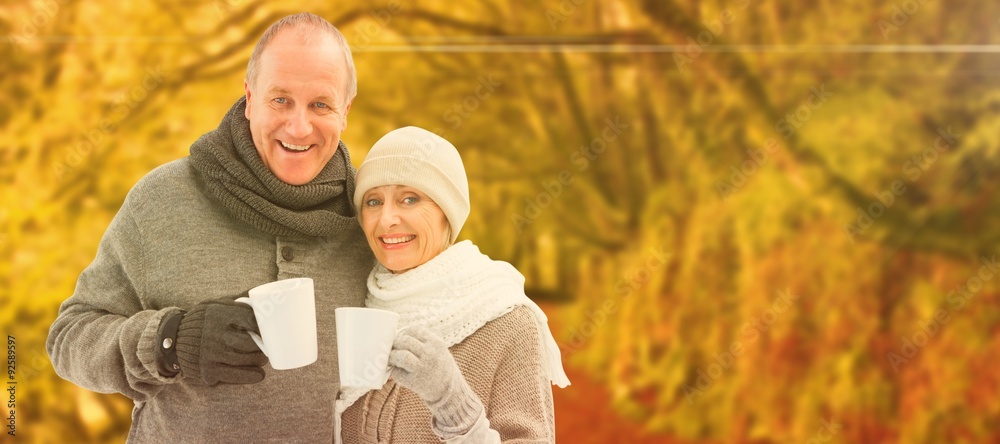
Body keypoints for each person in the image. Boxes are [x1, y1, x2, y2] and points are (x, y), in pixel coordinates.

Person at [46, 13, 374, 442]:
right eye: (280, 100)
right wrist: (170, 341)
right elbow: (69, 339)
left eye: (320, 104)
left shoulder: (373, 219)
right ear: (250, 96)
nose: (299, 126)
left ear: (345, 111)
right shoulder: (162, 199)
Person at [337, 126, 571, 443]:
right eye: (373, 202)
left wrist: (453, 404)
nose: (386, 219)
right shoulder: (355, 300)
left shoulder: (507, 319)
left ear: (446, 212)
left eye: (409, 199)